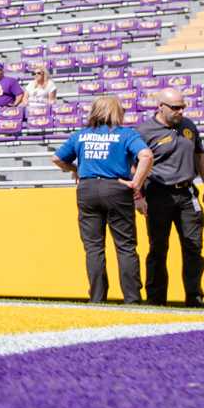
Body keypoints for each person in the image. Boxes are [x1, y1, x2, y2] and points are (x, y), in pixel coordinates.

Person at [52, 95, 153, 304]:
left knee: (94, 247)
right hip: (116, 187)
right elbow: (147, 156)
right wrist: (136, 182)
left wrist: (76, 169)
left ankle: (97, 298)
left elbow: (57, 158)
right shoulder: (125, 134)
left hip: (87, 189)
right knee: (125, 246)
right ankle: (132, 298)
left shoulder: (81, 135)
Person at [138, 90, 204, 306]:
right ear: (160, 106)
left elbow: (200, 155)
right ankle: (156, 299)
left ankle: (194, 297)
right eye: (175, 107)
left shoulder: (188, 126)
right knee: (158, 248)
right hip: (158, 193)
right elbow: (134, 164)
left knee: (193, 247)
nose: (181, 111)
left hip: (187, 193)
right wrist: (138, 194)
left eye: (183, 107)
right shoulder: (144, 131)